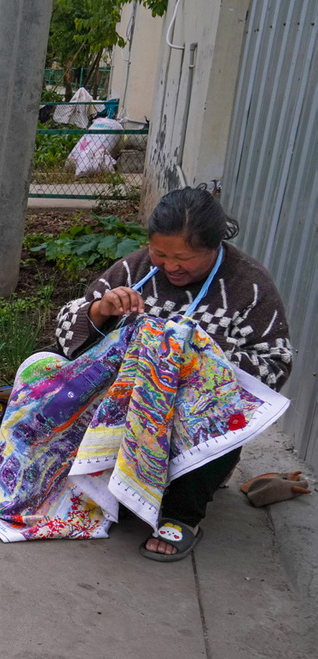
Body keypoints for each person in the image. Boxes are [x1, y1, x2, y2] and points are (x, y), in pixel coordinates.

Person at [55, 186, 293, 561]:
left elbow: (276, 361)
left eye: (185, 257)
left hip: (193, 407)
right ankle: (88, 483)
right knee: (46, 368)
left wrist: (200, 363)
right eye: (160, 254)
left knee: (208, 415)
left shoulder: (248, 285)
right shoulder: (134, 269)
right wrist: (101, 310)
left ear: (214, 246)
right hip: (122, 399)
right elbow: (68, 334)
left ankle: (183, 512)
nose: (170, 267)